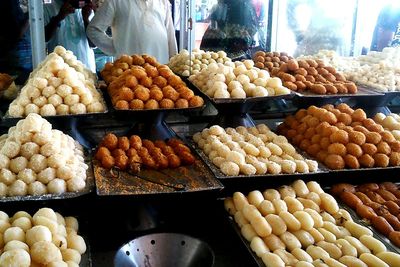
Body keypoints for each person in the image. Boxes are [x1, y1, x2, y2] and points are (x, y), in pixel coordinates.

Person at [86, 0, 177, 64]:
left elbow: (170, 36)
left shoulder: (163, 2)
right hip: (129, 73)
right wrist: (116, 48)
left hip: (161, 72)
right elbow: (93, 29)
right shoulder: (115, 2)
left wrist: (173, 64)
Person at [44, 0, 96, 72]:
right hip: (60, 73)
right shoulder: (47, 9)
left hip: (87, 69)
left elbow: (93, 44)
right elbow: (44, 38)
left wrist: (86, 20)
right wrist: (59, 17)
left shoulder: (86, 10)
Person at [0, 0, 32, 83]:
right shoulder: (8, 4)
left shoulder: (14, 4)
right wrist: (29, 17)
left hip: (21, 63)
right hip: (14, 64)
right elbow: (13, 35)